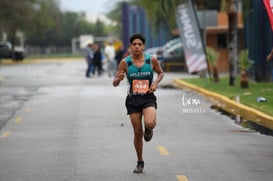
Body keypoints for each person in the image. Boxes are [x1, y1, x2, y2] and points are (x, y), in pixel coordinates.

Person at [112, 33, 164, 173]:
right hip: (133, 99)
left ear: (143, 46)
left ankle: (149, 130)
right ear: (130, 47)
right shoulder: (125, 62)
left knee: (150, 123)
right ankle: (140, 161)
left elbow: (160, 73)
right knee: (137, 132)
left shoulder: (151, 60)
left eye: (139, 44)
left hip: (148, 97)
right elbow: (115, 83)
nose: (136, 47)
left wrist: (155, 83)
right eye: (134, 44)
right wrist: (119, 79)